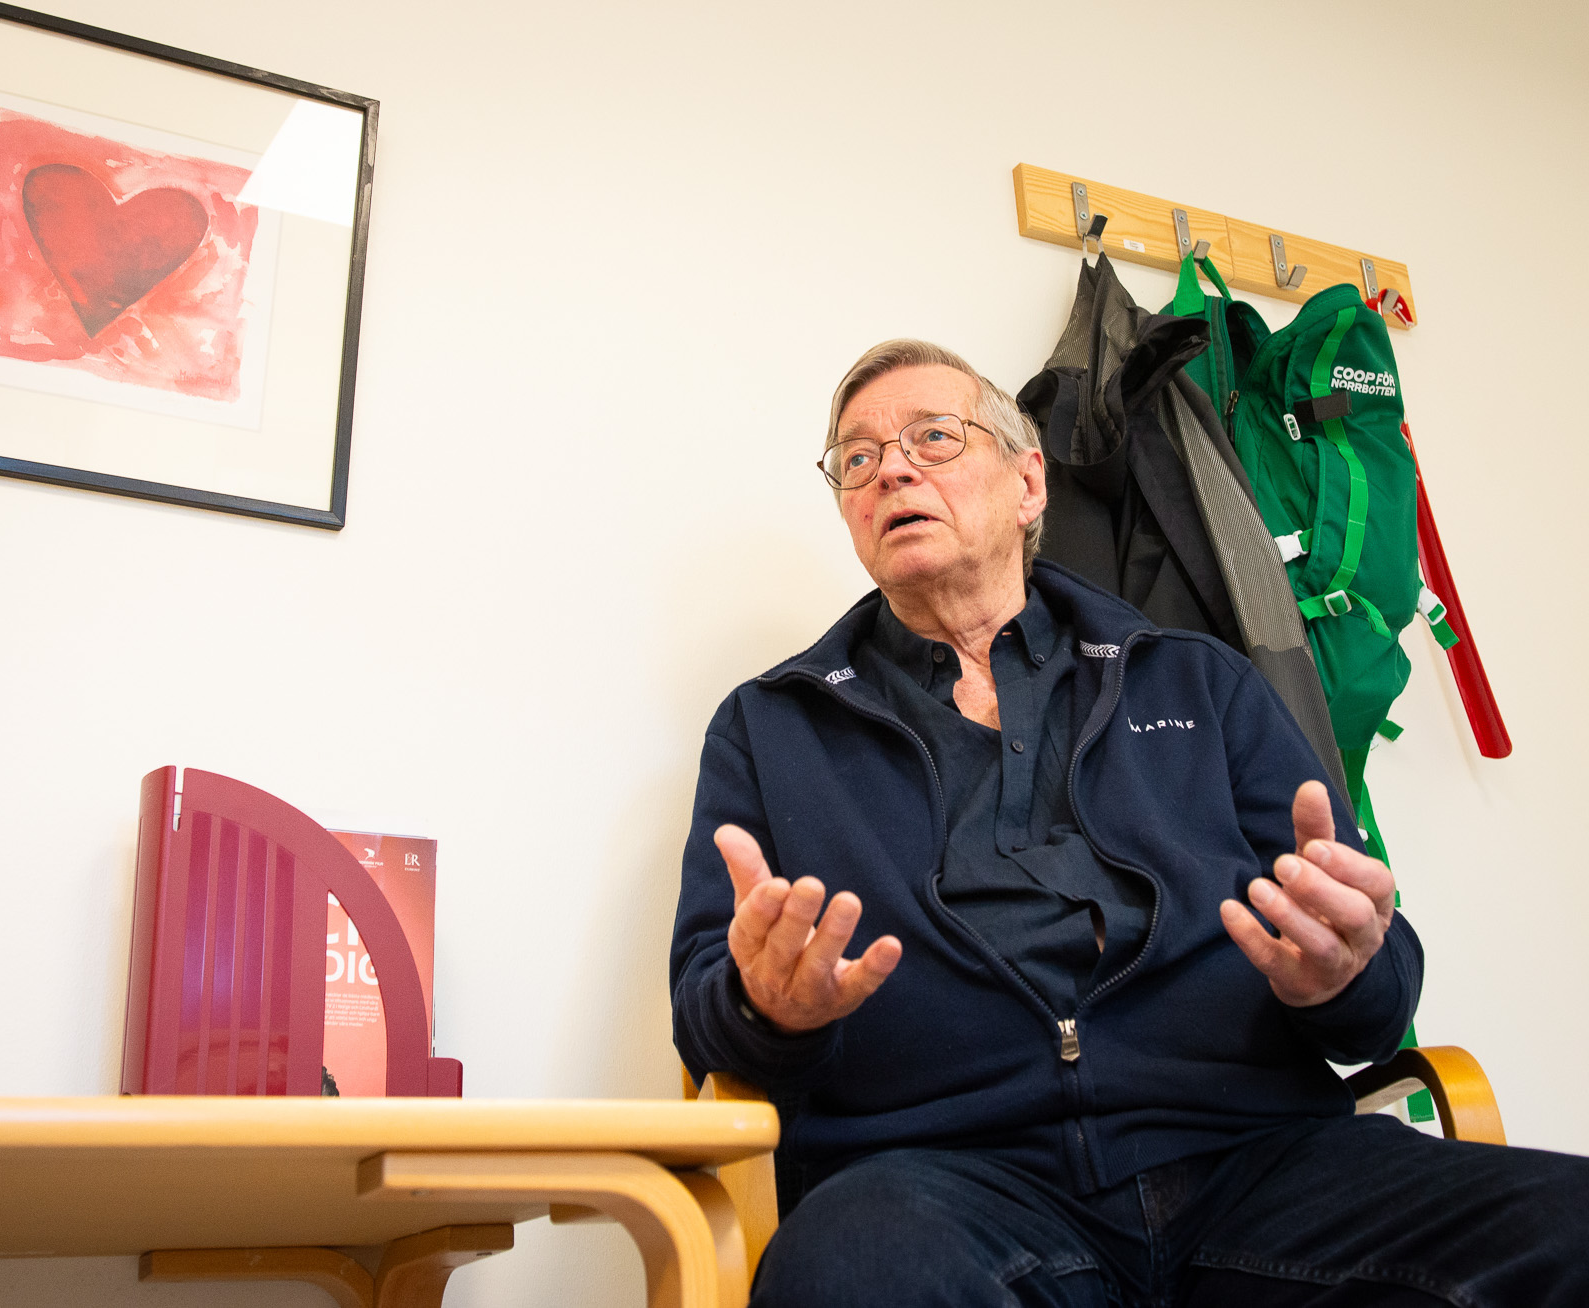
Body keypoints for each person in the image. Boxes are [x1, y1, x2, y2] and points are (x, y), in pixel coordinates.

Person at [668, 339, 1589, 1307]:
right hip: (948, 1188)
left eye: (933, 437)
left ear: (1029, 484)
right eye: (856, 458)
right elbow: (706, 1013)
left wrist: (1344, 974)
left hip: (1257, 1164)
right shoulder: (771, 728)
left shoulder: (1196, 681)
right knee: (852, 1270)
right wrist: (768, 1008)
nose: (890, 469)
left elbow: (1381, 993)